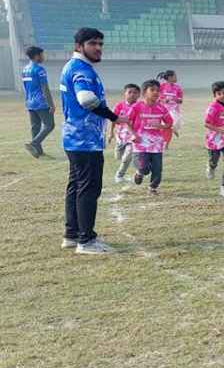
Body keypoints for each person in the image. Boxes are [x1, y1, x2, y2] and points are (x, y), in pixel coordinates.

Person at [61, 28, 126, 254]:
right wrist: (114, 117)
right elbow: (86, 99)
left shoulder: (72, 66)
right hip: (84, 141)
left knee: (76, 186)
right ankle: (86, 241)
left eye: (100, 43)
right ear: (79, 46)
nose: (98, 48)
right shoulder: (82, 70)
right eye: (93, 43)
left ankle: (71, 234)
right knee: (88, 188)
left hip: (74, 138)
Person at [128, 79, 173, 195]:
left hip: (156, 144)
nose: (156, 92)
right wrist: (134, 134)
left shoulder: (162, 108)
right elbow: (127, 121)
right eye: (152, 90)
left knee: (157, 168)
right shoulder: (136, 107)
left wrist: (161, 126)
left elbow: (169, 123)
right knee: (144, 168)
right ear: (144, 92)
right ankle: (139, 172)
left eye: (158, 90)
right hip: (140, 143)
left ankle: (153, 188)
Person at [22, 45, 56, 158]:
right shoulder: (39, 69)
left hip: (30, 102)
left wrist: (27, 100)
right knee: (50, 125)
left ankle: (38, 152)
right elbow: (44, 88)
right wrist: (51, 104)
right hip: (40, 102)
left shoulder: (25, 69)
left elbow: (25, 87)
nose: (43, 57)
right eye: (42, 54)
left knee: (35, 126)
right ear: (37, 56)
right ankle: (34, 143)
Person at [108, 84, 139, 184]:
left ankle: (119, 176)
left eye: (135, 92)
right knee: (118, 157)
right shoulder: (119, 106)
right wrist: (111, 133)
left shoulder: (139, 107)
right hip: (120, 137)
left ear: (139, 94)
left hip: (132, 137)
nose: (132, 94)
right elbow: (113, 120)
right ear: (125, 94)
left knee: (126, 158)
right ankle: (134, 161)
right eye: (129, 92)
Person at [157, 70, 183, 148]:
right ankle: (165, 145)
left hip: (174, 110)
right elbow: (156, 98)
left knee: (174, 125)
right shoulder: (161, 87)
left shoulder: (178, 87)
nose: (176, 78)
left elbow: (180, 100)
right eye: (175, 76)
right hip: (163, 111)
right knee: (166, 128)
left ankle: (173, 130)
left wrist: (178, 100)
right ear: (169, 77)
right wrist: (163, 100)